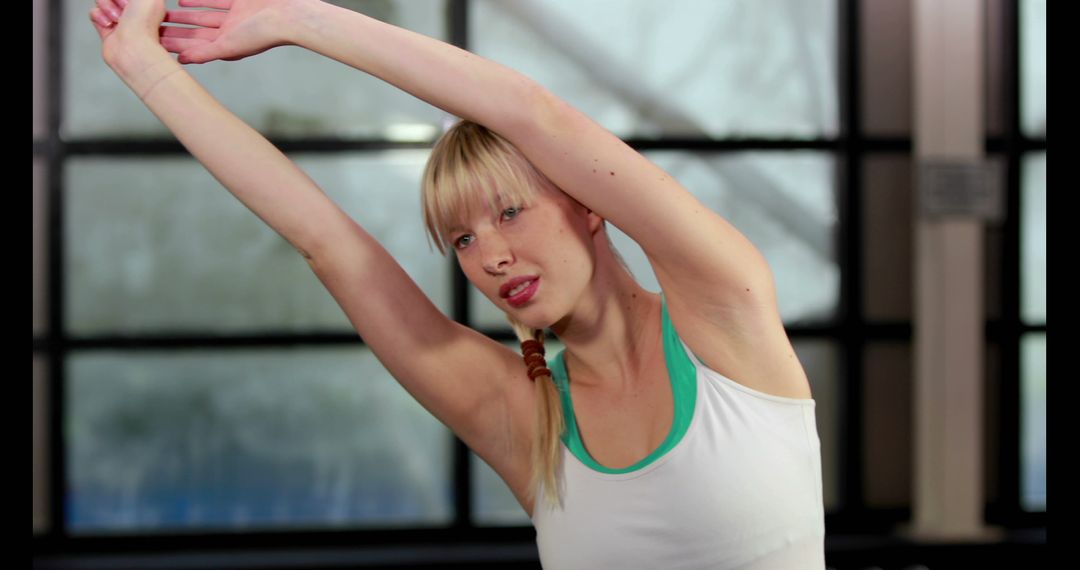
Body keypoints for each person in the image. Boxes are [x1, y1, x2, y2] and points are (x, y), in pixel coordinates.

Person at [89, 1, 826, 567]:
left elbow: (535, 116)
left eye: (510, 212)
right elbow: (327, 243)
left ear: (588, 201)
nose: (492, 256)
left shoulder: (727, 314)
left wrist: (299, 18)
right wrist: (145, 69)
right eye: (464, 238)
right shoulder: (522, 415)